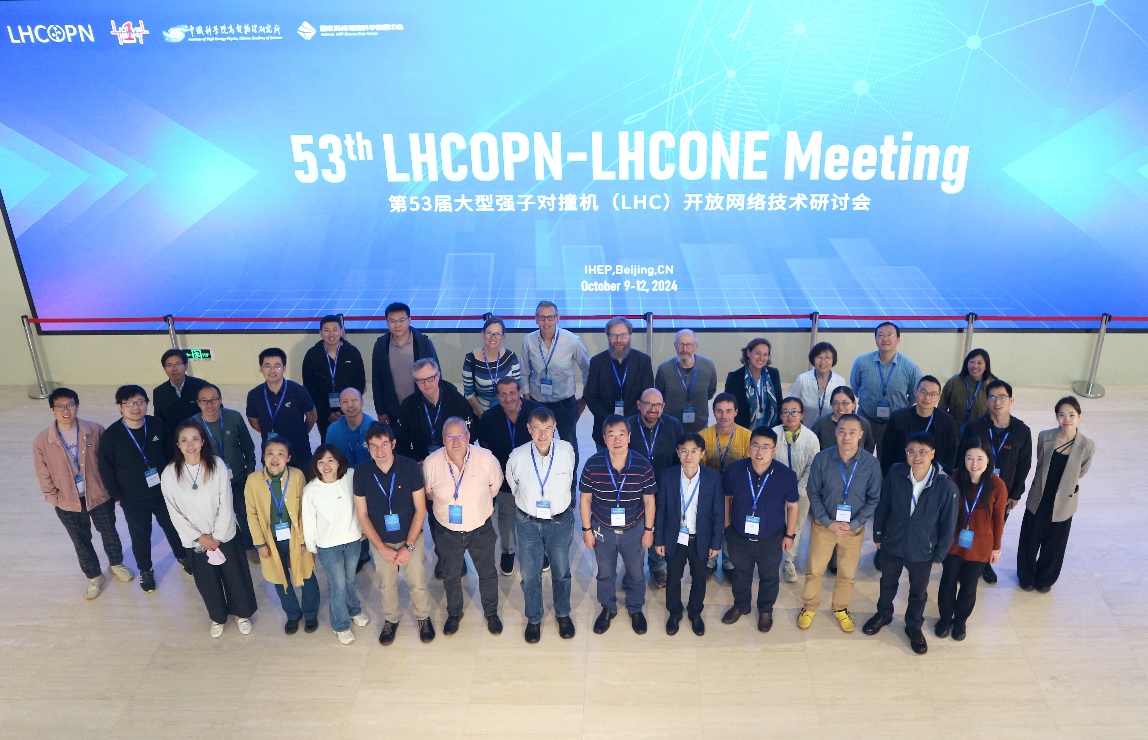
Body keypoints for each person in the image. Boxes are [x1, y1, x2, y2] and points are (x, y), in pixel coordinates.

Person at [863, 432, 958, 655]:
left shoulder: (946, 485)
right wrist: (878, 534)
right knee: (887, 582)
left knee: (918, 591)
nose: (917, 457)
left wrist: (940, 553)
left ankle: (913, 625)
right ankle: (884, 614)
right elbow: (884, 504)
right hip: (893, 543)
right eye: (912, 451)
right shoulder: (896, 472)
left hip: (922, 549)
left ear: (932, 454)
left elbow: (948, 524)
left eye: (922, 452)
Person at [33, 388, 133, 600]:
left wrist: (112, 489)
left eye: (70, 405)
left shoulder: (95, 430)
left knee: (109, 532)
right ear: (52, 410)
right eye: (60, 406)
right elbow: (42, 472)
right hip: (67, 502)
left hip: (99, 496)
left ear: (77, 406)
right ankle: (94, 576)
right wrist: (54, 498)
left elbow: (108, 462)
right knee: (80, 540)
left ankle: (116, 564)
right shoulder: (42, 441)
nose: (66, 410)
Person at [161, 420, 257, 638]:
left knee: (235, 577)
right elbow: (173, 511)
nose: (190, 445)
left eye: (195, 439)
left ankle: (241, 614)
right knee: (207, 582)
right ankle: (218, 617)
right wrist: (200, 538)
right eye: (184, 440)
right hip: (196, 541)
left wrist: (218, 536)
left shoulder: (217, 465)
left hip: (224, 535)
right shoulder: (170, 474)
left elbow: (226, 501)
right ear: (177, 444)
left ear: (203, 441)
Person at [97, 385, 188, 592]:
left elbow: (170, 453)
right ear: (120, 407)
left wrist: (174, 483)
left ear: (147, 403)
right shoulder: (112, 435)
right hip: (133, 498)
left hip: (163, 492)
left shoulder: (156, 424)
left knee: (173, 527)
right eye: (129, 403)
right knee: (140, 536)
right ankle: (146, 570)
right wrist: (118, 496)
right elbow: (105, 468)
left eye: (140, 402)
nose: (136, 407)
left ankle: (183, 557)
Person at [798, 414, 882, 633]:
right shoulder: (822, 459)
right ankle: (809, 606)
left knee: (847, 573)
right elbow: (813, 493)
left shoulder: (871, 464)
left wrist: (854, 524)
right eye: (842, 431)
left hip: (853, 530)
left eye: (852, 432)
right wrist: (828, 522)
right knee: (814, 570)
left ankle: (841, 608)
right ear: (836, 432)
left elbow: (873, 498)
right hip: (824, 526)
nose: (847, 437)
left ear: (861, 434)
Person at [353, 422, 435, 645]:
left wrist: (409, 546)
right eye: (373, 445)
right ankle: (391, 619)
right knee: (386, 585)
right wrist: (382, 549)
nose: (379, 450)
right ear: (368, 448)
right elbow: (362, 514)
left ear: (393, 444)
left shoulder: (409, 467)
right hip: (381, 541)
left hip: (411, 538)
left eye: (384, 444)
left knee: (417, 582)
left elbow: (421, 509)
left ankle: (423, 617)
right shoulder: (361, 473)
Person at [423, 418, 504, 636]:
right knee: (451, 576)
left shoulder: (486, 458)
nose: (456, 441)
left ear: (468, 437)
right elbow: (429, 494)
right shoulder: (431, 463)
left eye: (460, 435)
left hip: (480, 529)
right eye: (450, 436)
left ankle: (491, 613)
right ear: (443, 439)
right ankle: (454, 613)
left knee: (487, 573)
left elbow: (495, 486)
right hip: (447, 532)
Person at [505, 406, 578, 642]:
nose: (543, 434)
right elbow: (514, 485)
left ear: (555, 427)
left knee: (561, 571)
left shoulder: (566, 450)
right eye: (537, 429)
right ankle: (534, 618)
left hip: (559, 521)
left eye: (547, 428)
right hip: (528, 522)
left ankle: (563, 614)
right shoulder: (517, 456)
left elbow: (569, 479)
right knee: (529, 574)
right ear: (529, 429)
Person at [580, 415, 657, 635]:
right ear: (604, 438)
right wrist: (587, 530)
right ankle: (608, 608)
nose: (617, 440)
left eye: (621, 434)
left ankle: (635, 608)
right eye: (611, 435)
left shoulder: (642, 464)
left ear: (629, 437)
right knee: (605, 573)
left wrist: (649, 530)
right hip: (602, 529)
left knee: (636, 572)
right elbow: (585, 499)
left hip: (634, 529)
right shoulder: (593, 464)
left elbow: (649, 500)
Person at [721, 427, 799, 633]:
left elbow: (792, 506)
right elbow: (726, 499)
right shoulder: (735, 470)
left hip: (771, 538)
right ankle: (741, 605)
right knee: (740, 573)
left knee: (769, 576)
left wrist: (789, 535)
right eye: (755, 445)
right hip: (738, 536)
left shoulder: (786, 475)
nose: (759, 451)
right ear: (749, 447)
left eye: (766, 447)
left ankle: (765, 610)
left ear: (774, 450)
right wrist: (727, 527)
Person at [1016, 397, 1095, 593]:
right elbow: (1041, 463)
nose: (1066, 419)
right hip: (1040, 495)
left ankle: (1045, 579)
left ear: (1079, 416)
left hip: (1064, 500)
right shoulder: (1045, 437)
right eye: (1062, 415)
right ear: (1056, 416)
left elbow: (1081, 471)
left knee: (1055, 543)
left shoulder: (1087, 445)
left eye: (1071, 415)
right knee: (1030, 538)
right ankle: (1026, 576)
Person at [244, 438, 320, 634]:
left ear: (289, 457)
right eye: (270, 453)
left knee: (307, 574)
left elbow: (304, 510)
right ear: (263, 456)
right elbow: (251, 514)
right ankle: (293, 614)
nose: (275, 458)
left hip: (297, 536)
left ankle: (310, 614)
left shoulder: (297, 476)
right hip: (270, 539)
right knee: (279, 577)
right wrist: (260, 544)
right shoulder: (253, 480)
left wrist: (304, 540)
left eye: (280, 453)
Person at [936, 437, 1007, 641]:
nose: (974, 464)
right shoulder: (954, 478)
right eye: (969, 458)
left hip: (980, 545)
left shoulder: (997, 485)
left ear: (988, 460)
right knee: (948, 582)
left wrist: (996, 548)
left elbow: (998, 519)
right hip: (953, 542)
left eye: (979, 458)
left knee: (969, 587)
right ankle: (944, 619)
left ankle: (960, 622)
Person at [962, 379, 1033, 584]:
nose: (997, 402)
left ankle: (984, 563)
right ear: (986, 401)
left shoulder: (1022, 431)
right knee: (971, 523)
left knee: (994, 527)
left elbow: (1024, 464)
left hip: (1003, 492)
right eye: (992, 397)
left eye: (1002, 397)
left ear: (1011, 400)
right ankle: (966, 562)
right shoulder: (976, 427)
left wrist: (1016, 493)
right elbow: (962, 457)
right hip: (974, 488)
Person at [654, 433, 723, 636]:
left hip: (700, 539)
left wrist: (716, 542)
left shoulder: (713, 479)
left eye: (694, 451)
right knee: (673, 578)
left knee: (699, 578)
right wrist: (659, 539)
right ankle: (674, 613)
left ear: (702, 453)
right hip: (674, 538)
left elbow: (718, 513)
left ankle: (695, 612)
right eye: (684, 451)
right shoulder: (668, 476)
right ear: (678, 453)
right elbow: (661, 510)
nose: (689, 456)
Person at [519, 301, 591, 494]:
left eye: (550, 317)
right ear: (536, 319)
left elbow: (587, 369)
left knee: (569, 448)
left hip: (565, 403)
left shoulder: (572, 340)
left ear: (557, 318)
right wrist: (528, 402)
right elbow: (524, 373)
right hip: (537, 403)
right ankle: (540, 488)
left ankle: (570, 489)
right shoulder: (528, 341)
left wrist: (584, 399)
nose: (546, 322)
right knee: (538, 446)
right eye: (542, 317)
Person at [302, 445, 369, 645]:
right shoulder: (311, 490)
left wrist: (363, 529)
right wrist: (312, 547)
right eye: (321, 461)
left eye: (330, 460)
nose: (326, 465)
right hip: (328, 546)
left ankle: (354, 610)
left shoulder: (351, 476)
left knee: (350, 580)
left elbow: (362, 503)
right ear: (315, 466)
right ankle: (340, 625)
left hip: (353, 540)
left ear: (339, 461)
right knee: (337, 585)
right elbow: (308, 520)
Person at [477, 377, 543, 577]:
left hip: (533, 478)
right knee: (506, 516)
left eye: (512, 393)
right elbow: (485, 445)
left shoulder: (536, 412)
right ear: (497, 396)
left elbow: (546, 441)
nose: (508, 398)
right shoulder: (489, 418)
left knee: (535, 515)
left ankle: (538, 549)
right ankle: (508, 551)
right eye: (503, 394)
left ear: (520, 392)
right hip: (505, 478)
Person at [192, 383, 258, 564]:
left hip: (238, 477)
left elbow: (248, 447)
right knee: (217, 516)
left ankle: (249, 545)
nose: (209, 405)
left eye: (213, 400)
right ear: (198, 403)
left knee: (244, 513)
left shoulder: (233, 417)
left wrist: (250, 472)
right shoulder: (194, 424)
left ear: (220, 400)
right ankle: (223, 546)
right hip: (211, 482)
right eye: (204, 401)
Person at [627, 387, 683, 588]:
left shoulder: (674, 425)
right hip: (634, 490)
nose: (653, 409)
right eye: (648, 404)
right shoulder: (628, 425)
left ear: (663, 407)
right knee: (634, 531)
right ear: (639, 405)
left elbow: (680, 458)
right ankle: (633, 571)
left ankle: (657, 567)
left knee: (659, 528)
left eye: (657, 405)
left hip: (663, 489)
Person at [849, 321, 923, 457]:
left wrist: (901, 412)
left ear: (898, 339)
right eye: (881, 335)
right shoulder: (861, 362)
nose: (885, 339)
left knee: (890, 461)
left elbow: (915, 396)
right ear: (875, 338)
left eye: (890, 335)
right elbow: (856, 387)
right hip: (865, 420)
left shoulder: (910, 367)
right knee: (859, 459)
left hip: (895, 423)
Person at [699, 392, 752, 577]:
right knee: (709, 526)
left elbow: (748, 468)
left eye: (728, 411)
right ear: (713, 412)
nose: (724, 416)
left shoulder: (747, 436)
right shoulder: (703, 436)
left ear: (736, 412)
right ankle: (710, 561)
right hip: (710, 492)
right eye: (719, 411)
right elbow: (700, 468)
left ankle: (729, 563)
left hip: (736, 493)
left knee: (732, 528)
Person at [585, 317, 655, 451]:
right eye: (614, 335)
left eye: (623, 335)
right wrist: (610, 421)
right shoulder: (597, 362)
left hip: (635, 428)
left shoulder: (643, 361)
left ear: (630, 335)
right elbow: (590, 396)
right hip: (605, 429)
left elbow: (647, 396)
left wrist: (627, 421)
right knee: (606, 463)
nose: (618, 340)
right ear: (608, 337)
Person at [773, 397, 821, 583]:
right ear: (780, 415)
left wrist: (799, 491)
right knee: (774, 525)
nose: (790, 415)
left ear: (802, 414)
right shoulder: (773, 434)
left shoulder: (811, 438)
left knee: (796, 527)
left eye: (794, 412)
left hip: (802, 492)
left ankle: (789, 561)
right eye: (785, 412)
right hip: (775, 492)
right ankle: (771, 559)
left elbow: (813, 466)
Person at [301, 315, 366, 444]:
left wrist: (344, 409)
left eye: (335, 329)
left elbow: (359, 383)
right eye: (327, 330)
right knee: (328, 442)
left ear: (341, 331)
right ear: (320, 333)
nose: (331, 334)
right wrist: (326, 412)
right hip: (323, 412)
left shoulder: (353, 353)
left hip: (350, 409)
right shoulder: (312, 355)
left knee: (352, 441)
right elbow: (309, 387)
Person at [371, 301, 438, 426]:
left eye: (401, 320)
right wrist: (381, 411)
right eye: (392, 321)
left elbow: (436, 374)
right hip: (394, 409)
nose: (397, 325)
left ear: (410, 320)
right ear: (387, 322)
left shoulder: (423, 343)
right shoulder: (381, 346)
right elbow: (377, 380)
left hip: (422, 407)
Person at [245, 347, 317, 462]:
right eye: (267, 366)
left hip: (299, 451)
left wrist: (300, 434)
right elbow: (254, 423)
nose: (272, 370)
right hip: (271, 453)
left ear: (284, 368)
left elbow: (312, 417)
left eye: (277, 366)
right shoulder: (254, 395)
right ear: (261, 369)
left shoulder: (299, 391)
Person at [397, 358, 476, 462]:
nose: (426, 384)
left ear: (438, 376)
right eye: (421, 380)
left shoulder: (458, 402)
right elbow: (401, 443)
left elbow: (470, 436)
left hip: (453, 459)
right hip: (422, 460)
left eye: (430, 378)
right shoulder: (408, 405)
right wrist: (415, 461)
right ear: (416, 381)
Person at [881, 376, 959, 477]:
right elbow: (887, 450)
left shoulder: (947, 421)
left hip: (933, 476)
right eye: (923, 392)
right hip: (902, 474)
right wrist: (889, 476)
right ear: (915, 392)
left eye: (932, 394)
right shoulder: (898, 417)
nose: (927, 397)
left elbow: (950, 453)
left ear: (939, 397)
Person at [654, 329, 718, 433]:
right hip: (671, 428)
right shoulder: (664, 369)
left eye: (689, 345)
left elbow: (710, 392)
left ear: (696, 346)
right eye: (680, 344)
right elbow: (659, 397)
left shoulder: (708, 367)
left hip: (700, 428)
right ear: (675, 345)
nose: (684, 349)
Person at [462, 316, 522, 417]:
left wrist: (513, 414)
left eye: (497, 334)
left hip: (508, 413)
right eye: (489, 333)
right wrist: (483, 417)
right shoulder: (470, 359)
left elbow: (518, 388)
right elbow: (469, 393)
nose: (493, 337)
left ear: (503, 337)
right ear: (483, 334)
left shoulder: (511, 357)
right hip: (482, 414)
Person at [152, 349, 210, 446]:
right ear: (165, 369)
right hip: (174, 443)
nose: (174, 369)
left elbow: (215, 411)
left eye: (178, 364)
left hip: (200, 441)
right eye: (169, 365)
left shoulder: (201, 386)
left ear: (186, 366)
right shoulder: (159, 392)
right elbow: (159, 420)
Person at [725, 338, 782, 430]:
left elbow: (779, 403)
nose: (761, 358)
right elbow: (728, 407)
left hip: (770, 430)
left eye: (765, 355)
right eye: (758, 353)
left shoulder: (773, 374)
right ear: (748, 353)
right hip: (743, 430)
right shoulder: (735, 377)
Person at [939, 349, 995, 434]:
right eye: (971, 362)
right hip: (954, 430)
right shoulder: (955, 381)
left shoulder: (993, 386)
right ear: (966, 363)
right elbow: (942, 407)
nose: (975, 366)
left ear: (986, 366)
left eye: (979, 363)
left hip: (980, 431)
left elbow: (997, 412)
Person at [790, 342, 848, 420]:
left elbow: (843, 408)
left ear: (833, 360)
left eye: (827, 357)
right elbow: (791, 404)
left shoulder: (840, 381)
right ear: (813, 359)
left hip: (831, 426)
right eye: (819, 357)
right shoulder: (803, 379)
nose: (823, 361)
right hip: (806, 426)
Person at [810, 387, 876, 455]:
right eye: (836, 403)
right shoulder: (821, 423)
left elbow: (869, 448)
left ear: (854, 404)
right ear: (831, 405)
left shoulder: (863, 423)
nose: (840, 407)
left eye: (845, 403)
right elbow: (812, 447)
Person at [326, 388, 375, 467]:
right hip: (342, 473)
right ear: (340, 405)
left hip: (369, 473)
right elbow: (329, 458)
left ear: (362, 402)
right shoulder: (332, 430)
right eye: (345, 401)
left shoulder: (374, 427)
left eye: (354, 400)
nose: (350, 405)